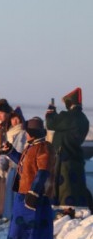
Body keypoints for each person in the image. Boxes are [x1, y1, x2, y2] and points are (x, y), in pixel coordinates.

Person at [3, 117, 55, 239]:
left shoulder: (44, 148)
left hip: (35, 193)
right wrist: (11, 151)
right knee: (23, 223)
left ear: (33, 133)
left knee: (34, 223)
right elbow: (23, 163)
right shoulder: (31, 146)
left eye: (27, 132)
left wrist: (34, 192)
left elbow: (43, 171)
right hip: (24, 190)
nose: (25, 135)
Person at [45, 87, 92, 216]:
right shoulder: (84, 119)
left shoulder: (67, 116)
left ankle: (66, 211)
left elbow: (51, 124)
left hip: (63, 157)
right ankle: (71, 210)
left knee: (64, 188)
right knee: (74, 187)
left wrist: (50, 112)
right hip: (75, 156)